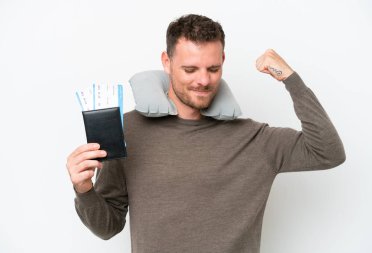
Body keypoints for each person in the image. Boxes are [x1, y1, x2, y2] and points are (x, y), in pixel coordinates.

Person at [66, 14, 346, 253]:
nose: (203, 80)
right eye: (190, 69)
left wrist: (290, 78)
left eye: (213, 69)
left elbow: (328, 152)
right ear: (166, 62)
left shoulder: (254, 139)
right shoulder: (128, 130)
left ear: (223, 60)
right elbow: (107, 227)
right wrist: (84, 190)